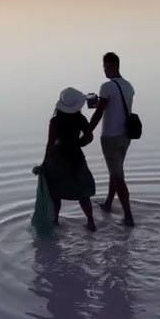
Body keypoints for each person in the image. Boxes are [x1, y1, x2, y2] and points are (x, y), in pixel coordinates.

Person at [88, 52, 136, 226]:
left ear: (111, 65)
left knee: (117, 176)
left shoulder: (107, 87)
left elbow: (99, 112)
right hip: (125, 137)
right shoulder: (128, 86)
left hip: (110, 138)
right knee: (115, 171)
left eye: (105, 66)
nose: (104, 70)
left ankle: (128, 216)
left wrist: (87, 131)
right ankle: (108, 203)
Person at [40, 87, 97, 232]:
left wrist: (45, 162)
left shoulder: (55, 121)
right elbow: (89, 136)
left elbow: (50, 143)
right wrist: (79, 143)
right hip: (76, 156)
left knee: (56, 192)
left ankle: (55, 220)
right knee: (82, 193)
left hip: (58, 158)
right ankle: (91, 222)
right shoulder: (80, 118)